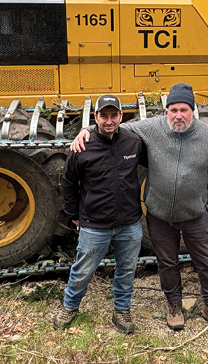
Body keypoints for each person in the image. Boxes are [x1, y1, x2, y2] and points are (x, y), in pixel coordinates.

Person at [72, 83, 208, 333]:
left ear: (193, 110)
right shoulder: (152, 128)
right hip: (159, 216)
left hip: (195, 216)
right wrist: (85, 130)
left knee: (207, 262)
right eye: (173, 110)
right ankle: (174, 306)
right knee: (166, 263)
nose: (178, 115)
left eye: (184, 109)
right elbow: (114, 125)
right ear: (165, 110)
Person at [54, 95, 146, 334]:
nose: (108, 121)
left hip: (129, 222)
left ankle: (122, 310)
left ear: (120, 116)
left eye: (113, 115)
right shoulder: (82, 146)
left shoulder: (133, 142)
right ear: (95, 117)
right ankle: (70, 307)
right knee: (83, 270)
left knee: (127, 269)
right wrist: (74, 214)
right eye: (103, 115)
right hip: (95, 224)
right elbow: (69, 182)